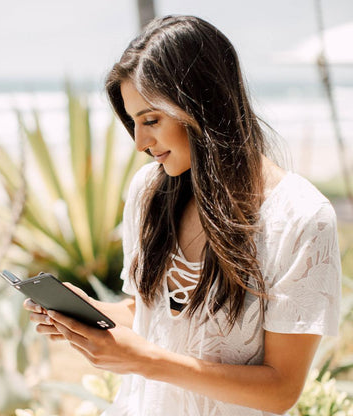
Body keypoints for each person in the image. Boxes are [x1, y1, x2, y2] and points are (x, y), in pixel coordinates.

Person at [24, 15, 341, 416]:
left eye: (151, 120)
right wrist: (85, 310)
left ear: (202, 104)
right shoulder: (149, 192)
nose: (140, 142)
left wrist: (146, 362)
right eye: (133, 122)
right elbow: (150, 318)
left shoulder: (301, 218)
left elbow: (280, 390)